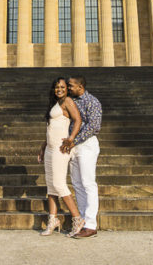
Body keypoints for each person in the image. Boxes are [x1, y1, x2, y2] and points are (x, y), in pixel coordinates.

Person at [38, 77, 85, 237]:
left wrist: (71, 139)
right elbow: (52, 127)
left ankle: (77, 219)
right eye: (57, 87)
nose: (60, 89)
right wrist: (43, 146)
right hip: (50, 148)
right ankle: (53, 220)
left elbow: (78, 119)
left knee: (59, 184)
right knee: (51, 186)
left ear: (67, 89)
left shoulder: (68, 102)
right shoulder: (55, 104)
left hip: (60, 149)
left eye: (63, 87)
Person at [62, 75, 101, 239]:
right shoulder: (71, 101)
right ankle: (83, 220)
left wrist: (74, 140)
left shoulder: (92, 101)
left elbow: (93, 126)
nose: (68, 88)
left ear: (80, 86)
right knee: (77, 184)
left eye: (71, 85)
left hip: (86, 145)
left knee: (88, 183)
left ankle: (91, 224)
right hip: (74, 146)